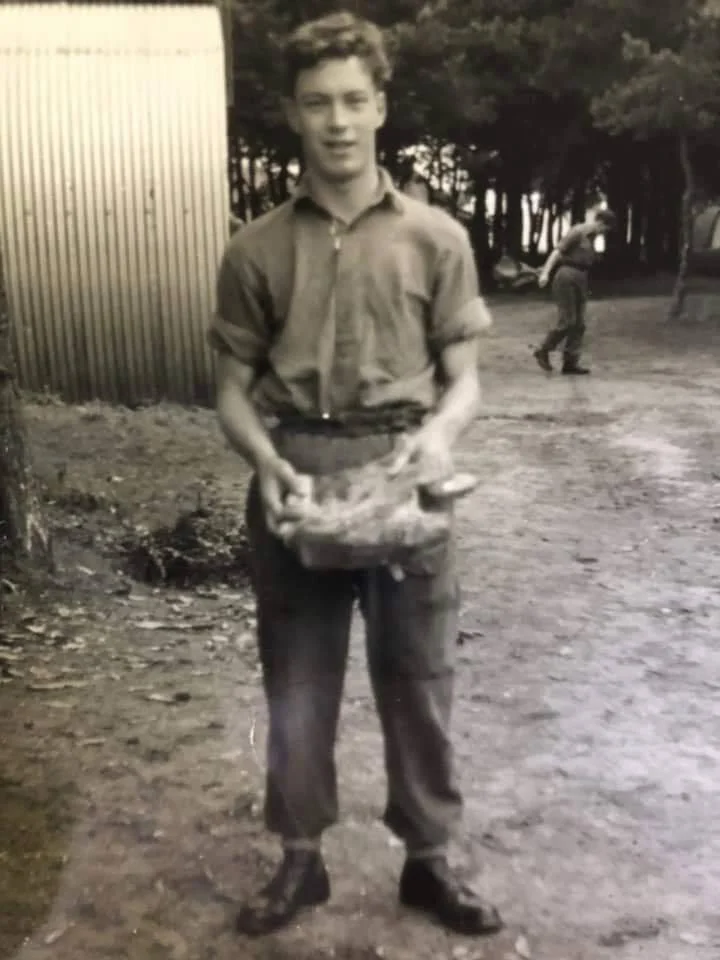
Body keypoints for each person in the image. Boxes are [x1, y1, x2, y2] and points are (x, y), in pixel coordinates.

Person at [207, 10, 501, 940]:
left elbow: (465, 381)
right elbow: (231, 391)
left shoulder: (436, 238)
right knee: (297, 682)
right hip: (297, 483)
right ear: (293, 114)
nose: (336, 120)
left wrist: (442, 441)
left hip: (406, 478)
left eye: (353, 101)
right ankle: (301, 862)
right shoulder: (253, 249)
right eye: (316, 104)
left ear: (380, 106)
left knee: (420, 677)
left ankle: (429, 861)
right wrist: (265, 465)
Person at [533, 208, 617, 375]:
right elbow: (558, 251)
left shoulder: (591, 239)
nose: (604, 233)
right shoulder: (578, 231)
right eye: (605, 229)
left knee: (579, 324)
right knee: (567, 321)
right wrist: (545, 273)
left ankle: (570, 362)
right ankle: (543, 349)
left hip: (581, 277)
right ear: (600, 223)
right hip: (567, 275)